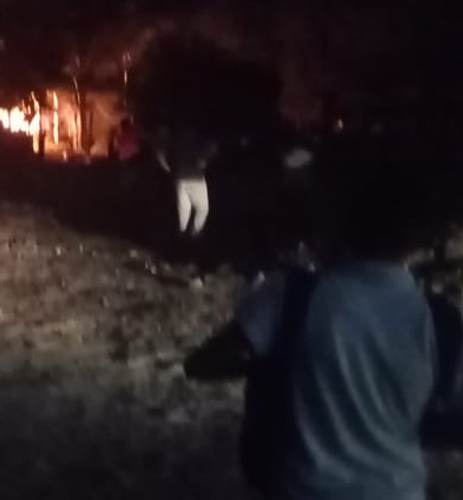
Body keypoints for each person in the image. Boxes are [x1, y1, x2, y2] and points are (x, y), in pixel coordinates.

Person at [184, 153, 458, 500]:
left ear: (344, 223)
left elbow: (203, 364)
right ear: (417, 239)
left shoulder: (292, 297)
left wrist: (274, 368)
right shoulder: (436, 320)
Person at [155, 127, 217, 286]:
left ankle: (180, 246)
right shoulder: (198, 138)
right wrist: (204, 160)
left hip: (180, 177)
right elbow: (211, 149)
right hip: (195, 177)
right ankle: (194, 235)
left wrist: (167, 167)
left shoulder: (175, 138)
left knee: (183, 212)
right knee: (202, 209)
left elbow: (160, 152)